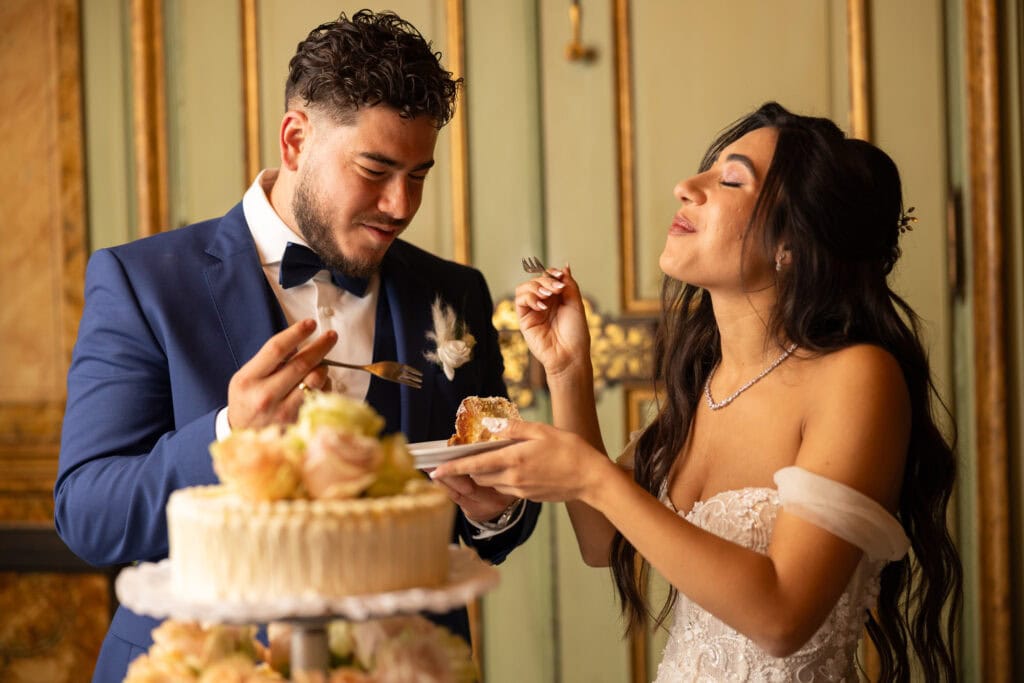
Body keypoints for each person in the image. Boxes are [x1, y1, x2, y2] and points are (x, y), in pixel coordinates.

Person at [55, 10, 539, 682]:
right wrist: (228, 433)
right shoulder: (142, 284)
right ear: (294, 139)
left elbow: (503, 523)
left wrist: (498, 509)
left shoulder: (453, 294)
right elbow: (88, 511)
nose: (401, 204)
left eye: (419, 174)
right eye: (375, 168)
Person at [432, 102, 962, 681]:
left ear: (792, 243)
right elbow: (602, 540)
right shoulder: (709, 383)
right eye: (706, 170)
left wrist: (591, 475)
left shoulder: (859, 378)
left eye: (730, 178)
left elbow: (784, 617)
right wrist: (567, 369)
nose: (687, 186)